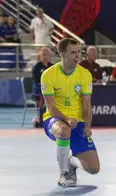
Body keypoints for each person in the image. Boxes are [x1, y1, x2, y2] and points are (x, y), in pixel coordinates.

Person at [41, 38, 100, 187]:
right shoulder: (48, 75)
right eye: (73, 52)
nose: (77, 56)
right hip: (54, 119)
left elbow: (86, 105)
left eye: (78, 52)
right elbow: (51, 107)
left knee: (94, 169)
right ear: (62, 54)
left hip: (77, 122)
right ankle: (64, 174)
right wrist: (66, 118)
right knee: (64, 131)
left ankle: (71, 162)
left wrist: (87, 126)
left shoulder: (85, 74)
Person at [31, 47, 54, 127]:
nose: (46, 57)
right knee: (45, 98)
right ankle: (41, 121)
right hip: (39, 92)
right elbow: (36, 81)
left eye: (47, 55)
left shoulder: (53, 67)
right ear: (39, 56)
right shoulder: (36, 67)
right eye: (44, 55)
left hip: (51, 91)